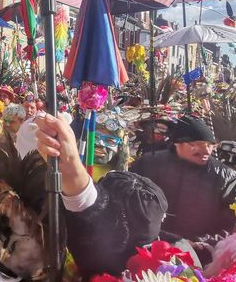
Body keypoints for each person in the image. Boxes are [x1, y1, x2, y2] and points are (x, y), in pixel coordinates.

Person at [33, 113, 169, 278]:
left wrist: (74, 177)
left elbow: (101, 219)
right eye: (97, 137)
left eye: (110, 141)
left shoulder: (130, 187)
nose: (100, 145)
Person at [130, 115, 236, 249]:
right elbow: (130, 204)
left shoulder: (226, 178)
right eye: (197, 145)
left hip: (201, 253)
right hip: (148, 244)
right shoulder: (148, 164)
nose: (206, 151)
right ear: (177, 143)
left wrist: (203, 243)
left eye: (210, 145)